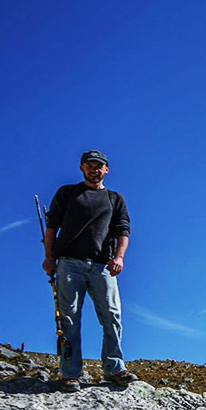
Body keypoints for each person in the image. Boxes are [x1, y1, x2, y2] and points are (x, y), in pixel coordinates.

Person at [42, 150, 138, 392]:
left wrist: (119, 257)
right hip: (68, 263)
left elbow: (123, 232)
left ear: (106, 169)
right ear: (82, 168)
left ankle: (114, 368)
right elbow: (51, 227)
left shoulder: (115, 199)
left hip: (102, 265)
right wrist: (49, 258)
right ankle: (70, 373)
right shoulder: (67, 193)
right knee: (69, 318)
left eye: (99, 166)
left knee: (112, 315)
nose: (94, 169)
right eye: (89, 165)